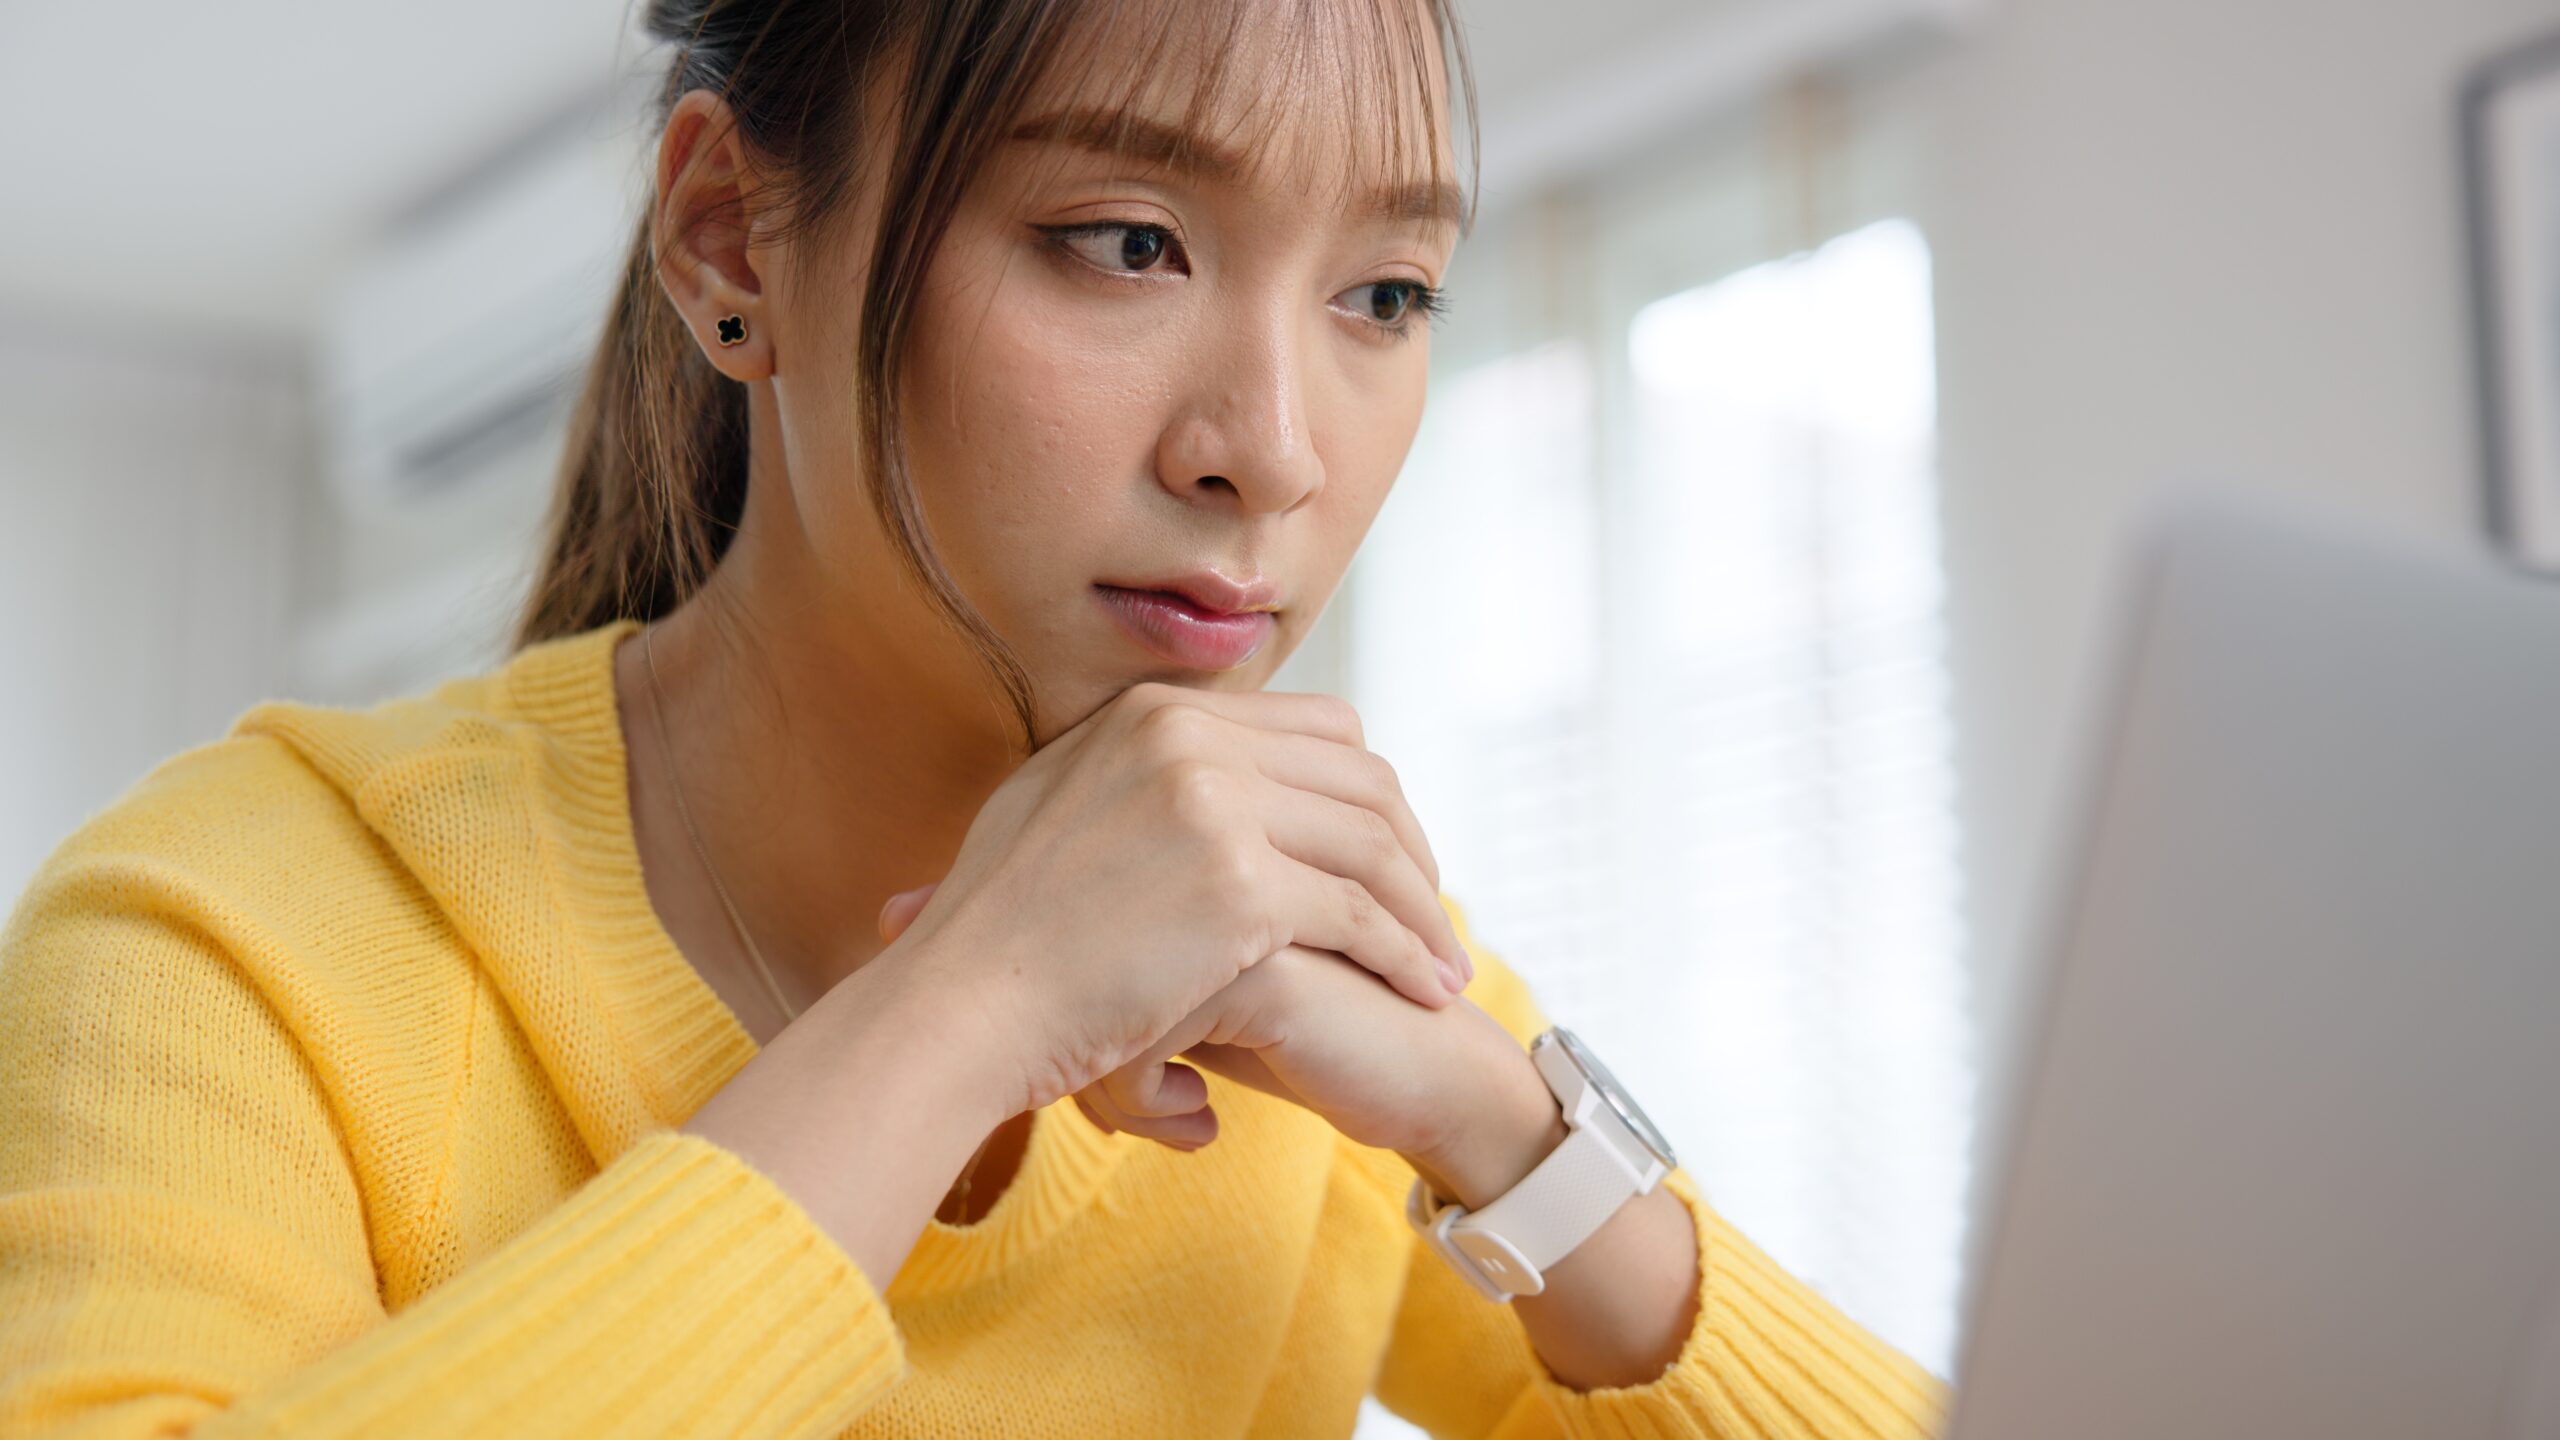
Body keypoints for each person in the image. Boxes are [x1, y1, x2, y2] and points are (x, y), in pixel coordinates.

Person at [0, 0, 1949, 1434]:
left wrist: (1496, 1124)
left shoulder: (1291, 955)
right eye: (1123, 242)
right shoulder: (232, 929)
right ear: (725, 240)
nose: (1270, 452)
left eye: (1382, 294)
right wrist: (965, 1013)